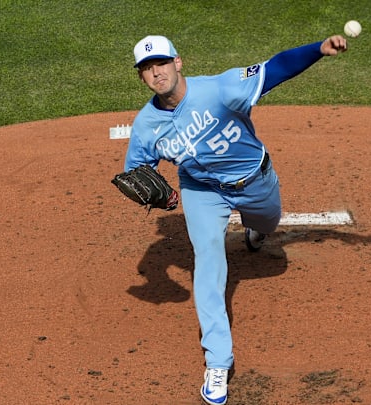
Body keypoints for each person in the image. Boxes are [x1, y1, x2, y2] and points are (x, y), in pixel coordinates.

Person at [121, 33, 347, 405]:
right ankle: (218, 361)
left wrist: (318, 50)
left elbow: (275, 69)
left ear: (178, 63)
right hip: (202, 190)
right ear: (142, 78)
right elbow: (137, 174)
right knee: (208, 259)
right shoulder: (146, 125)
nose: (156, 73)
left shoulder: (221, 89)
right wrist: (160, 197)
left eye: (161, 63)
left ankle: (256, 230)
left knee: (268, 223)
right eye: (147, 69)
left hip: (254, 180)